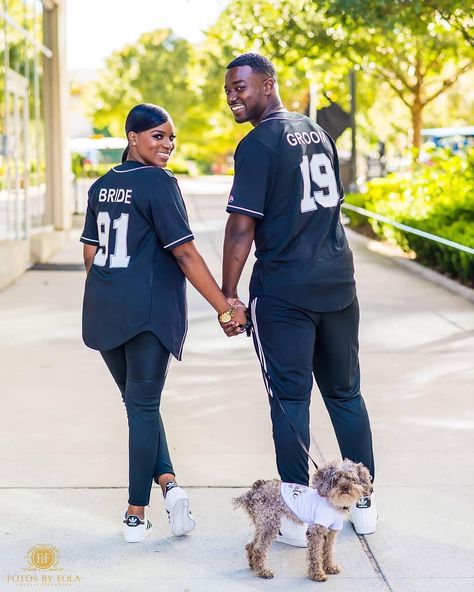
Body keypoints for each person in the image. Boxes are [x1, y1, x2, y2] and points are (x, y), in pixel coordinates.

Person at [222, 54, 377, 542]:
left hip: (286, 292)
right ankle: (364, 504)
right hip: (338, 282)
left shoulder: (259, 144)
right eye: (228, 89)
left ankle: (295, 511)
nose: (233, 96)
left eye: (241, 87)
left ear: (268, 85)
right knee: (345, 394)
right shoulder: (319, 133)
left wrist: (228, 295)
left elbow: (241, 227)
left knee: (290, 400)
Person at [80, 103, 246, 543]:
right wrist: (225, 307)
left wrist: (111, 290)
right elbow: (186, 252)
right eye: (157, 135)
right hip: (148, 315)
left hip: (105, 310)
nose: (167, 145)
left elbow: (90, 254)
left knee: (140, 407)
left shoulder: (101, 186)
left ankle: (170, 486)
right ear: (132, 137)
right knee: (143, 407)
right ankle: (136, 514)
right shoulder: (159, 183)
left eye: (171, 137)